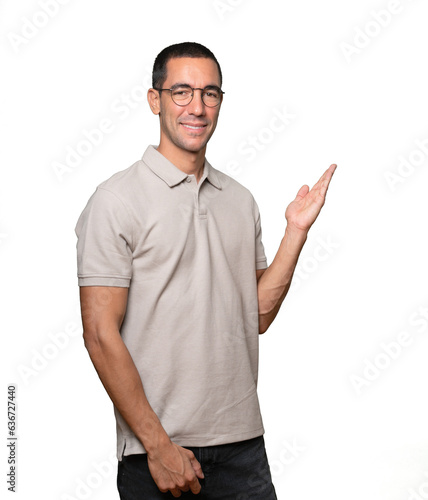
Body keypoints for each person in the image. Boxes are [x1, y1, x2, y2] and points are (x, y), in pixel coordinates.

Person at [75, 41, 336, 499]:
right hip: (157, 454)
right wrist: (158, 447)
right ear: (154, 100)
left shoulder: (240, 200)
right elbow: (99, 333)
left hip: (243, 449)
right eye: (181, 92)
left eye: (210, 93)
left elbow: (255, 316)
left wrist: (295, 231)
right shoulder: (114, 201)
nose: (197, 106)